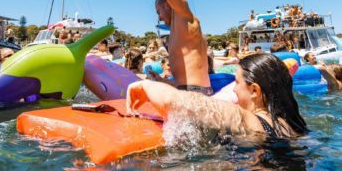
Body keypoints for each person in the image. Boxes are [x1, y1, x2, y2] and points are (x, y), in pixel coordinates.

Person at [127, 53, 308, 139]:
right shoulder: (293, 125)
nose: (234, 89)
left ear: (254, 91)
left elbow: (174, 102)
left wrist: (145, 85)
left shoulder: (244, 119)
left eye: (237, 83)